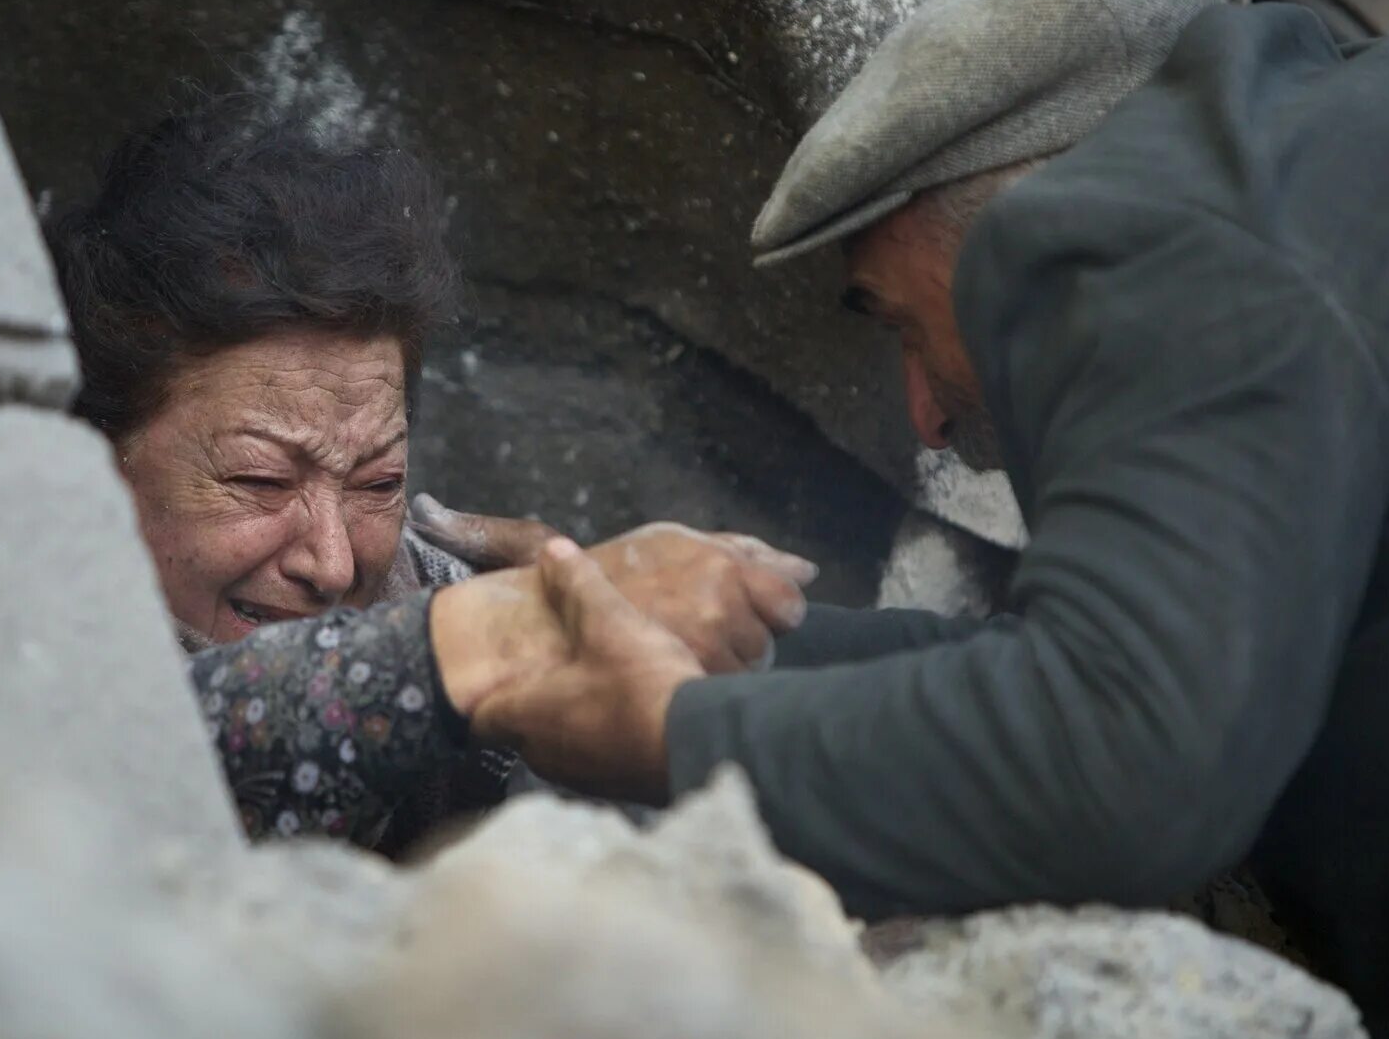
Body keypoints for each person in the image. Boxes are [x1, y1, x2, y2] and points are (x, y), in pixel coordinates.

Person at [414, 0, 1389, 1039]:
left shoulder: (1149, 238)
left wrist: (671, 735)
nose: (926, 415)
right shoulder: (1309, 166)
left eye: (906, 326)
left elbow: (1123, 763)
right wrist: (672, 639)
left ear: (1013, 221)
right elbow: (1083, 676)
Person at [44, 91, 814, 850]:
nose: (333, 563)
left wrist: (584, 652)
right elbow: (144, 752)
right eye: (260, 482)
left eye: (377, 483)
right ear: (94, 461)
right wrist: (485, 645)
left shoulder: (442, 595)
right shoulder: (5, 640)